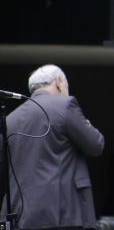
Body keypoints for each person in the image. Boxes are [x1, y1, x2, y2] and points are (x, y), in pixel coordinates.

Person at [0, 64, 104, 229]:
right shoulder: (65, 105)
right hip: (60, 213)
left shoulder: (11, 119)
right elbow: (96, 145)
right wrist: (88, 125)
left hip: (20, 214)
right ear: (59, 82)